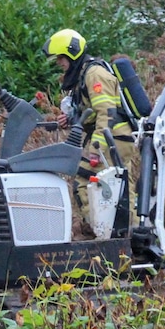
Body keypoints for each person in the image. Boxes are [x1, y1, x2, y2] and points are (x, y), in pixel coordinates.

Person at [43, 28, 139, 232]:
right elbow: (93, 111)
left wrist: (96, 148)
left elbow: (106, 112)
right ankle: (129, 234)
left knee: (84, 181)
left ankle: (99, 231)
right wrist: (71, 119)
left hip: (113, 138)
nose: (59, 62)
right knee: (122, 188)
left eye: (61, 57)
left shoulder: (94, 74)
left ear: (72, 53)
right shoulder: (84, 74)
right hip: (114, 137)